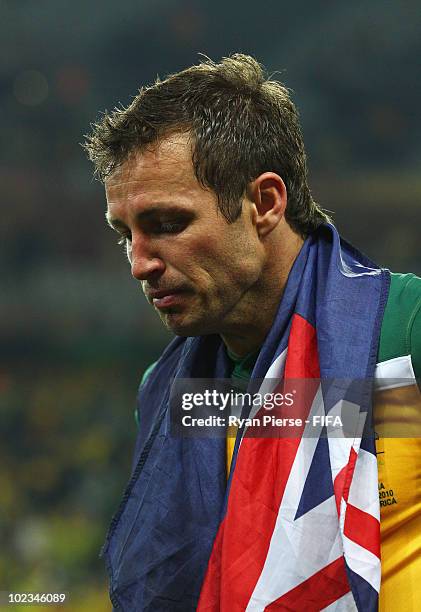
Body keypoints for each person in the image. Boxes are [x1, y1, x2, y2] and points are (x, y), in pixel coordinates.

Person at [84, 54, 421, 612]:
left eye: (168, 224)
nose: (139, 263)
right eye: (126, 234)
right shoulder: (171, 392)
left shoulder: (402, 331)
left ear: (265, 202)